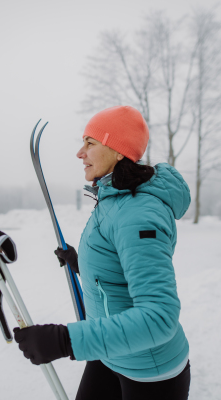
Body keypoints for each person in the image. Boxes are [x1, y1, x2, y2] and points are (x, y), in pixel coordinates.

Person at [12, 105, 192, 400]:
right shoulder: (114, 197)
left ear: (119, 151)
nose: (79, 153)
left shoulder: (139, 213)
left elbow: (159, 317)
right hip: (111, 351)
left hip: (149, 370)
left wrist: (64, 341)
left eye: (90, 143)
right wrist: (81, 263)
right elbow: (121, 269)